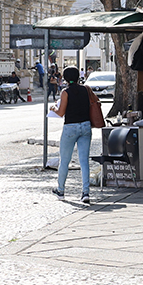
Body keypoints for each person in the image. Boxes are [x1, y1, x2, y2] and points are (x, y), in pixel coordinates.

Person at [50, 67, 99, 204]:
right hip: (85, 126)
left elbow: (61, 113)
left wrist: (53, 108)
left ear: (65, 78)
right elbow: (96, 100)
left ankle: (60, 190)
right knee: (84, 161)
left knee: (64, 160)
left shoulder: (65, 92)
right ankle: (85, 192)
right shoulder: (86, 89)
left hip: (70, 127)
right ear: (78, 77)